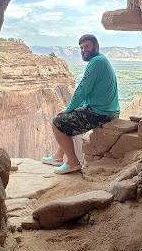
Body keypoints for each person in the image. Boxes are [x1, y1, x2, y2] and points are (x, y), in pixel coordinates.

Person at [42, 34, 120, 174]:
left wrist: (70, 108)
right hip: (105, 110)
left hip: (101, 114)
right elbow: (90, 91)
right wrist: (72, 109)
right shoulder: (101, 60)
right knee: (68, 119)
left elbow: (83, 89)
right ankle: (58, 156)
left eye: (87, 46)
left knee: (57, 123)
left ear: (96, 46)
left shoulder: (96, 61)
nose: (84, 50)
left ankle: (72, 162)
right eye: (82, 47)